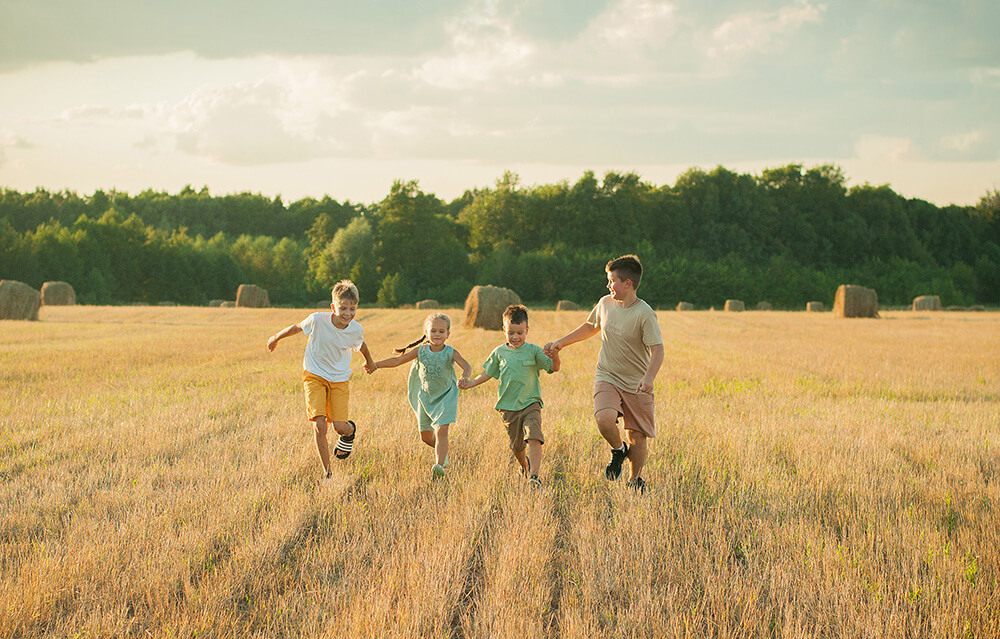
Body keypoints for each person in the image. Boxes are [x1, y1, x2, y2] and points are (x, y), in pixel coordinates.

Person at [544, 255, 663, 494]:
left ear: (628, 283)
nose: (608, 286)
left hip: (636, 383)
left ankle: (635, 481)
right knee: (604, 419)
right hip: (607, 375)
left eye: (612, 281)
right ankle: (618, 451)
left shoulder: (644, 313)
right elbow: (590, 326)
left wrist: (648, 377)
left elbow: (657, 349)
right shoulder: (605, 303)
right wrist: (560, 343)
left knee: (637, 436)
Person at [266, 280, 376, 479]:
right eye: (343, 308)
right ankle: (328, 473)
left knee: (339, 427)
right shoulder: (317, 320)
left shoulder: (355, 330)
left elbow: (362, 346)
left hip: (339, 380)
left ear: (357, 308)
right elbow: (297, 327)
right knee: (319, 425)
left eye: (352, 309)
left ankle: (349, 431)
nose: (347, 314)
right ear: (333, 307)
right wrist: (276, 337)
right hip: (314, 375)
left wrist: (370, 362)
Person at [460, 304, 560, 487]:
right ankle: (525, 466)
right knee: (517, 446)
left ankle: (534, 478)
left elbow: (554, 368)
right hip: (508, 407)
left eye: (520, 333)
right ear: (504, 330)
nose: (515, 337)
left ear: (527, 330)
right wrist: (471, 383)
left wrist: (555, 355)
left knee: (534, 436)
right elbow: (487, 373)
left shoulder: (534, 351)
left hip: (531, 403)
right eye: (511, 333)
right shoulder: (499, 353)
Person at [370, 313, 472, 479]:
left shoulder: (450, 352)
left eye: (441, 331)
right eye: (433, 331)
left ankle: (439, 466)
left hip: (446, 396)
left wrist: (465, 376)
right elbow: (397, 361)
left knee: (441, 430)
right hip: (425, 397)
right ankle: (443, 452)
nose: (437, 335)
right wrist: (376, 365)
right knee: (426, 437)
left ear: (448, 334)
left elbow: (466, 366)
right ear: (426, 332)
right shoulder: (420, 351)